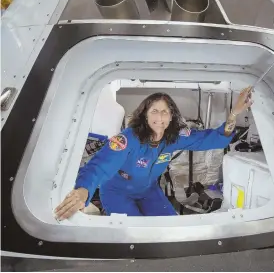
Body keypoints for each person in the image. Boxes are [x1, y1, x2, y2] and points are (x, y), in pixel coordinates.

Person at [55, 87, 253, 219]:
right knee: (135, 236)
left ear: (171, 116)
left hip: (149, 191)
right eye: (154, 111)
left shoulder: (174, 137)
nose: (160, 117)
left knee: (171, 228)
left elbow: (211, 138)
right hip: (116, 193)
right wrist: (82, 191)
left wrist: (234, 113)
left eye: (165, 112)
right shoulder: (128, 138)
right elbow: (100, 165)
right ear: (145, 116)